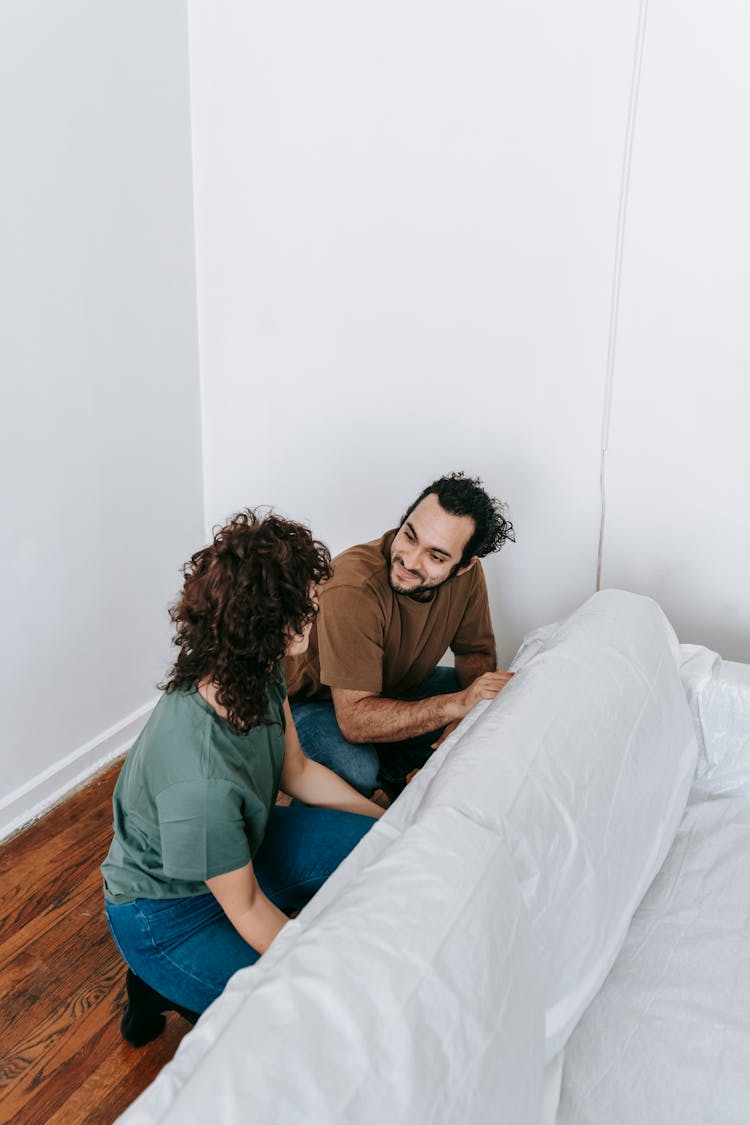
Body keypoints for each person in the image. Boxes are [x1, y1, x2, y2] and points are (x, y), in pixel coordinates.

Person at [102, 510, 383, 1044]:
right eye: (306, 604)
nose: (316, 610)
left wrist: (394, 823)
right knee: (298, 1017)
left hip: (239, 853)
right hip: (170, 915)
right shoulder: (198, 781)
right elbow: (249, 907)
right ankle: (153, 981)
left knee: (382, 851)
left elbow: (296, 771)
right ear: (267, 623)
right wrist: (333, 975)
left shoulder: (255, 667)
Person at [284, 472, 515, 801]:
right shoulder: (354, 586)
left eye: (435, 556)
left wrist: (468, 714)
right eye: (409, 536)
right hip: (317, 703)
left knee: (500, 701)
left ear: (464, 566)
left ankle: (398, 768)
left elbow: (474, 654)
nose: (409, 560)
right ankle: (391, 780)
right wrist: (457, 706)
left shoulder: (468, 577)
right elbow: (354, 720)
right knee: (356, 768)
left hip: (393, 686)